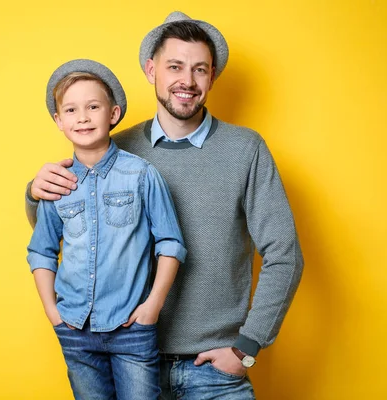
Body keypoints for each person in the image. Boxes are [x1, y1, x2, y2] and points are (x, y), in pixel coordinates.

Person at [26, 12, 304, 399]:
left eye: (200, 70)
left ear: (212, 78)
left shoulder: (245, 149)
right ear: (151, 69)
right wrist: (34, 192)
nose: (187, 81)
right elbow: (63, 226)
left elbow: (284, 253)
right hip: (124, 358)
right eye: (175, 66)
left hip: (213, 370)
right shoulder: (111, 146)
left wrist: (248, 347)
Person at [27, 59, 186, 400]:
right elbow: (41, 250)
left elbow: (171, 243)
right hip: (74, 328)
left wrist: (152, 306)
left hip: (132, 328)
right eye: (70, 109)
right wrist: (52, 313)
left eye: (93, 106)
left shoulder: (142, 175)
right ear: (58, 121)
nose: (82, 117)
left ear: (112, 114)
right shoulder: (58, 183)